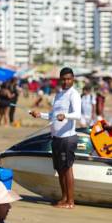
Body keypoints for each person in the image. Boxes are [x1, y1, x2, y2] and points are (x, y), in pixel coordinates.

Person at [30, 67, 81, 209]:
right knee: (59, 169)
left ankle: (70, 202)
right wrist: (40, 115)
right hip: (56, 137)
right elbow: (53, 116)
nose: (66, 81)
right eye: (64, 79)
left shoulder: (74, 94)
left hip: (67, 137)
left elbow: (77, 114)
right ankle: (64, 198)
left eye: (69, 79)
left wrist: (66, 116)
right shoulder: (58, 95)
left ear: (73, 79)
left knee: (67, 169)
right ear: (60, 80)